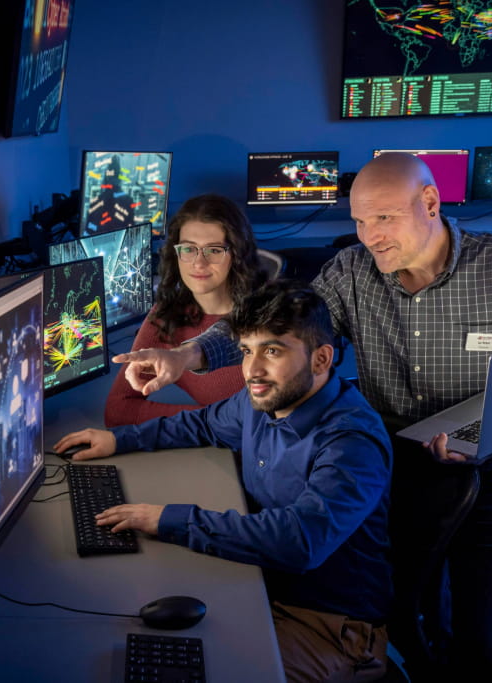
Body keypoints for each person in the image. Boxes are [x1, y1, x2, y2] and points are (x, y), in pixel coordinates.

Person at [113, 152, 492, 681]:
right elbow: (278, 323)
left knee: (482, 651)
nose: (369, 235)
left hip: (487, 471)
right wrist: (185, 356)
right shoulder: (354, 269)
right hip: (386, 461)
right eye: (359, 220)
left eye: (383, 218)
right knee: (398, 605)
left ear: (430, 202)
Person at [58, 280, 393, 682]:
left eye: (272, 350)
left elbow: (298, 541)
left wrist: (168, 520)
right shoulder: (262, 399)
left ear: (321, 359)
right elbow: (202, 423)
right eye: (247, 350)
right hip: (263, 585)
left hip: (328, 624)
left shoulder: (350, 440)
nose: (252, 369)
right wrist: (118, 439)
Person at [103, 193, 264, 427]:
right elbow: (118, 409)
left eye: (214, 250)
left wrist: (212, 419)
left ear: (237, 254)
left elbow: (267, 420)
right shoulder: (169, 316)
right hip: (221, 450)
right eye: (188, 249)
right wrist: (211, 419)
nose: (199, 263)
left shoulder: (267, 314)